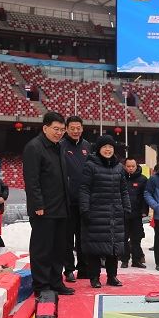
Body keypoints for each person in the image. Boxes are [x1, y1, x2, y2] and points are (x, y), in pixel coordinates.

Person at [23, 111, 74, 295]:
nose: (59, 133)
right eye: (55, 129)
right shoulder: (34, 147)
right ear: (45, 128)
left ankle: (55, 282)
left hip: (61, 207)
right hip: (43, 209)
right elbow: (32, 180)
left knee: (59, 249)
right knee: (42, 249)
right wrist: (38, 205)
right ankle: (42, 285)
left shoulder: (58, 147)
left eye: (62, 129)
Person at [78, 135, 130, 288]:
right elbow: (84, 189)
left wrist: (126, 208)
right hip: (96, 212)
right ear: (99, 149)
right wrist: (85, 209)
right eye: (104, 147)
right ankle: (94, 278)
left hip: (115, 213)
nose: (108, 149)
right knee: (94, 248)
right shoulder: (90, 165)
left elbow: (124, 190)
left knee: (113, 248)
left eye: (110, 147)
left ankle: (112, 276)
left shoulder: (119, 167)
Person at [59, 116, 91, 282]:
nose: (76, 130)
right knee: (67, 237)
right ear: (66, 128)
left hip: (84, 200)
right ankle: (69, 269)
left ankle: (84, 268)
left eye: (78, 127)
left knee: (83, 236)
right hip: (67, 200)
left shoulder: (87, 146)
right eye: (72, 128)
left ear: (82, 128)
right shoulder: (61, 146)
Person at [121, 157, 148, 269]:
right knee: (123, 238)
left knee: (136, 239)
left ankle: (136, 260)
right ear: (125, 166)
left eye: (133, 166)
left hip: (137, 214)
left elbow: (145, 197)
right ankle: (124, 260)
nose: (131, 168)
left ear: (137, 166)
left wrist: (144, 211)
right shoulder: (120, 177)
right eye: (128, 166)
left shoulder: (143, 179)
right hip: (123, 213)